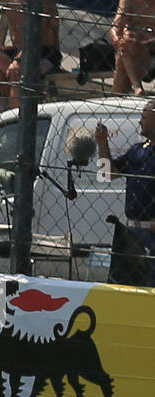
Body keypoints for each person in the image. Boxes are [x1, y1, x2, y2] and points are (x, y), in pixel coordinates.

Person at [97, 99, 155, 284]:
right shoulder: (138, 150)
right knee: (128, 287)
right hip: (132, 234)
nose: (139, 121)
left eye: (144, 117)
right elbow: (106, 174)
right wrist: (102, 143)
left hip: (153, 234)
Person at [0, 1, 62, 106]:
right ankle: (25, 98)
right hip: (19, 50)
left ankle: (19, 115)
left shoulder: (43, 3)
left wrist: (19, 60)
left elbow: (37, 36)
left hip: (44, 52)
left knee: (17, 72)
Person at [112, 0, 155, 95]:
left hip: (151, 46)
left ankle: (133, 89)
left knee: (123, 55)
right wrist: (117, 39)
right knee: (125, 43)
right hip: (134, 47)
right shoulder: (128, 1)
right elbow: (115, 27)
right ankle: (133, 90)